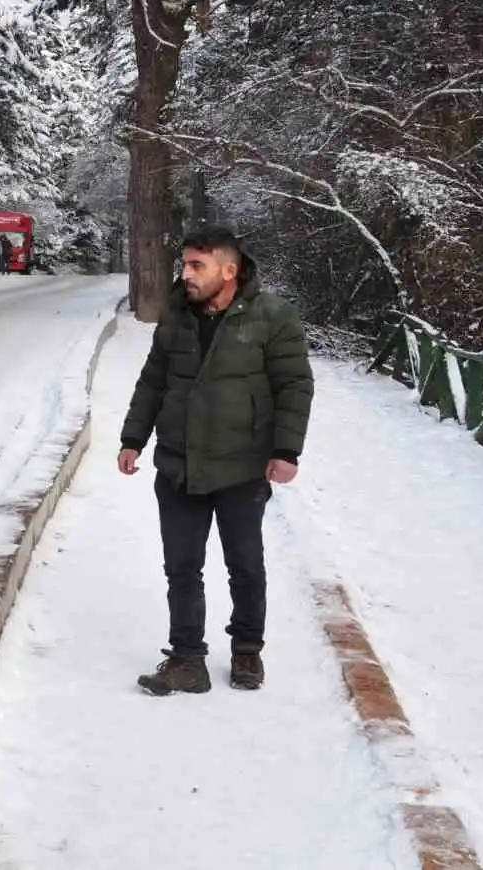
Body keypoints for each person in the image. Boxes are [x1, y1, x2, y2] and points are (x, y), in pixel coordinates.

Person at [117, 225, 314, 695]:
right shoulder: (176, 318)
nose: (186, 274)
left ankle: (247, 650)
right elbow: (152, 382)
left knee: (244, 564)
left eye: (196, 265)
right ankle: (187, 658)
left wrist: (286, 451)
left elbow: (295, 385)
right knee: (181, 567)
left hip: (241, 466)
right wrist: (133, 439)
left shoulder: (274, 317)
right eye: (185, 264)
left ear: (230, 270)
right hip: (179, 464)